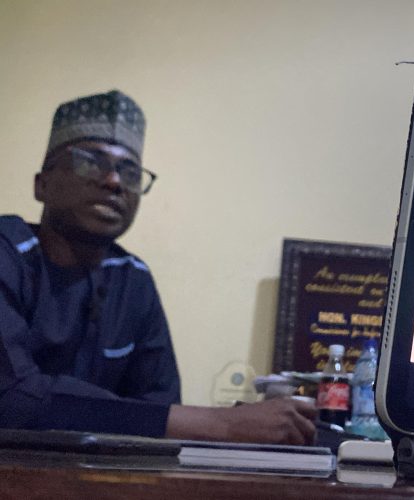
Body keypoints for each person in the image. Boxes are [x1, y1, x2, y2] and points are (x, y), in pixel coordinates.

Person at [0, 90, 317, 444]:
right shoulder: (7, 251)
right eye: (89, 161)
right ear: (41, 184)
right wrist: (222, 424)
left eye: (130, 172)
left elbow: (158, 409)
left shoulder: (132, 279)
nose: (113, 181)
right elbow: (11, 397)